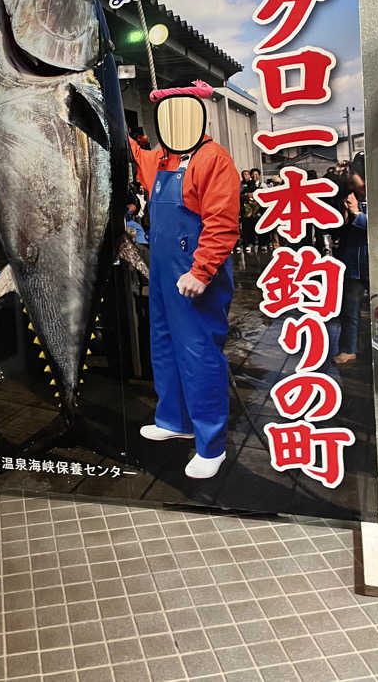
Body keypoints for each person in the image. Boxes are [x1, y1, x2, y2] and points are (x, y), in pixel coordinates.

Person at [129, 82, 240, 479]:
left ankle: (211, 445)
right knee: (163, 345)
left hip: (194, 277)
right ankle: (173, 420)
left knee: (199, 355)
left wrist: (201, 270)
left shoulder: (214, 159)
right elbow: (136, 155)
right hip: (161, 273)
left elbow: (223, 223)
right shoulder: (161, 160)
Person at [333, 152, 368, 365]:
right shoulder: (347, 195)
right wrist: (345, 213)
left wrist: (356, 213)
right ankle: (348, 349)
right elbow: (337, 227)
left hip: (375, 262)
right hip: (352, 263)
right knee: (350, 309)